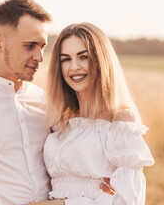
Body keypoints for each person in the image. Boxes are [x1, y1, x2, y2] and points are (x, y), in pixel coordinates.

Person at [0, 0, 113, 205]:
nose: (39, 57)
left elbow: (73, 159)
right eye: (30, 46)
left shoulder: (48, 103)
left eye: (42, 46)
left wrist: (101, 179)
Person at [42, 23, 155, 205]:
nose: (74, 67)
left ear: (100, 60)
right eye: (66, 59)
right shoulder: (60, 120)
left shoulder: (119, 121)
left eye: (83, 57)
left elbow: (128, 201)